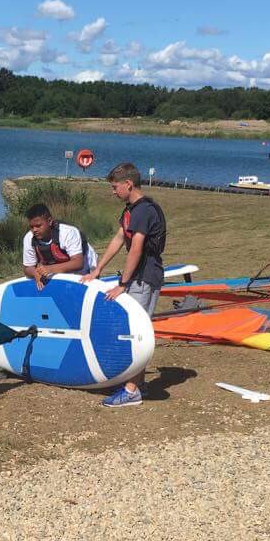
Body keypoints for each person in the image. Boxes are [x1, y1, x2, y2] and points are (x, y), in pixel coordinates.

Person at [81, 162, 167, 407]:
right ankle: (137, 383)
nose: (113, 191)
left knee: (136, 333)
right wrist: (98, 269)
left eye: (115, 187)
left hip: (145, 278)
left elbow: (136, 249)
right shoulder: (132, 209)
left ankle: (131, 391)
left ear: (128, 184)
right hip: (136, 278)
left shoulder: (143, 211)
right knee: (130, 331)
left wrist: (122, 283)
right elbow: (120, 238)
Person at [22, 203, 98, 289]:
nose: (34, 230)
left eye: (38, 226)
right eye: (31, 227)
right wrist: (35, 273)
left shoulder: (68, 232)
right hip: (56, 268)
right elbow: (28, 268)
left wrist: (49, 269)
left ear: (50, 221)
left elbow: (78, 263)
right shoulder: (29, 238)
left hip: (85, 267)